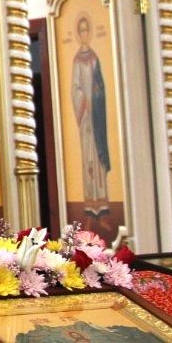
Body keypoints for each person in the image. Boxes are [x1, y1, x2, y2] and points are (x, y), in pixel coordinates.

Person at [70, 15, 111, 232]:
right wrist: (83, 100)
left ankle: (102, 211)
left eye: (87, 30)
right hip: (85, 117)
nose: (85, 34)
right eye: (82, 31)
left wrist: (95, 98)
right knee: (87, 161)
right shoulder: (77, 60)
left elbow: (100, 86)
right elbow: (74, 87)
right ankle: (89, 211)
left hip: (97, 117)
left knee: (98, 161)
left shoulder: (94, 58)